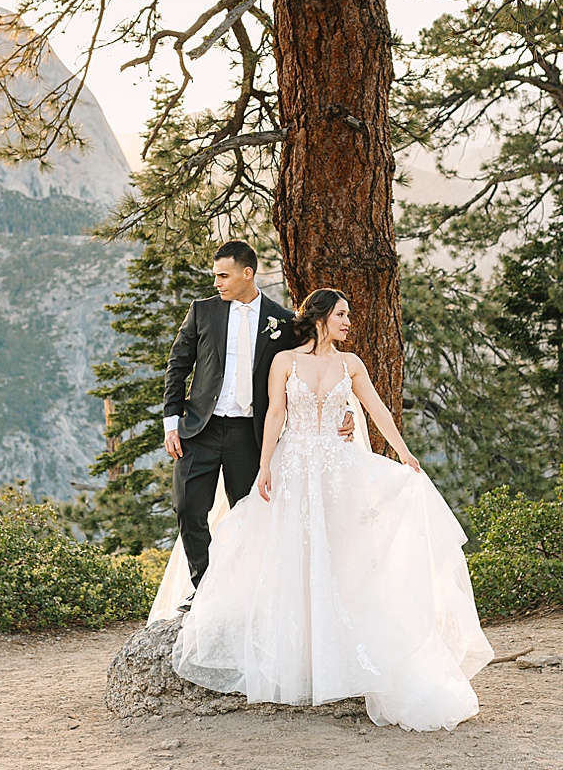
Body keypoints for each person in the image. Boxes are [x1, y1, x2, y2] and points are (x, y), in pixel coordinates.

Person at [170, 288, 495, 732]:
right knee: (291, 555)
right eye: (341, 314)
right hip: (293, 466)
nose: (348, 321)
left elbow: (375, 408)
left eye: (349, 314)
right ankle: (297, 654)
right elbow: (274, 416)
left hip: (337, 471)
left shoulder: (352, 364)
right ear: (320, 317)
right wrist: (264, 465)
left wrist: (405, 455)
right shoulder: (285, 361)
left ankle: (341, 651)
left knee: (341, 555)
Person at [161, 241, 352, 609]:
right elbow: (178, 365)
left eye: (223, 275)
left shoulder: (281, 320)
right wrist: (172, 421)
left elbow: (310, 364)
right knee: (187, 507)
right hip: (200, 428)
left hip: (250, 435)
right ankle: (204, 588)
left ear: (247, 273)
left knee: (249, 515)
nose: (216, 282)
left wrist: (338, 408)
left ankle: (243, 589)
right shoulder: (202, 311)